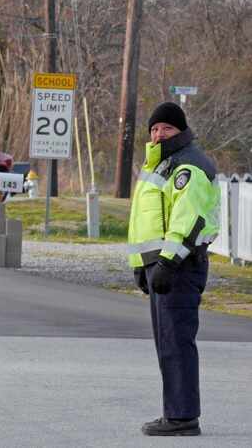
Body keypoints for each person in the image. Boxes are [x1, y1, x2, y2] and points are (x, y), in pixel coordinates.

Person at [127, 102, 220, 436]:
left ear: (180, 131)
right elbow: (146, 221)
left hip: (179, 266)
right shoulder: (160, 166)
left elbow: (188, 219)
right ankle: (176, 412)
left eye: (166, 128)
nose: (158, 133)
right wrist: (141, 265)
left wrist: (167, 262)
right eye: (153, 129)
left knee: (176, 341)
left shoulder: (188, 166)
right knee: (168, 342)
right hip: (162, 268)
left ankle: (182, 418)